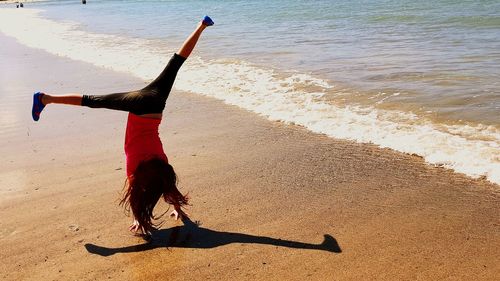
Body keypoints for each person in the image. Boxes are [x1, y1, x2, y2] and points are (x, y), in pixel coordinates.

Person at [31, 16, 215, 235]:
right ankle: (44, 98)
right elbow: (137, 191)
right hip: (138, 105)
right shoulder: (134, 167)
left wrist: (177, 207)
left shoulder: (162, 163)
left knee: (176, 63)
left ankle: (201, 26)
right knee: (93, 101)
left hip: (155, 103)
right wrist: (140, 218)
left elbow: (167, 181)